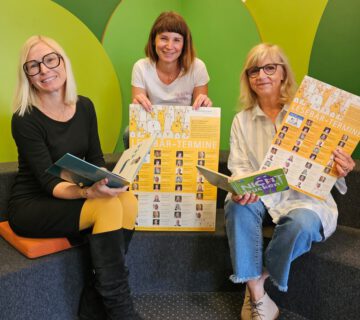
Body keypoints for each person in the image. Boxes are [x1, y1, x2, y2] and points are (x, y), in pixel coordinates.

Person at [8, 35, 142, 320]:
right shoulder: (24, 118)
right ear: (28, 77)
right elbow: (48, 182)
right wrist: (88, 193)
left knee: (127, 200)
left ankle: (95, 302)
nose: (44, 70)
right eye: (33, 66)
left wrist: (108, 181)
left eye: (50, 60)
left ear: (63, 62)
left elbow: (94, 159)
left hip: (76, 195)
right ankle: (121, 312)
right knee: (106, 206)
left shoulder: (84, 106)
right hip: (34, 204)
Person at [225, 43, 355, 320]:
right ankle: (258, 295)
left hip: (303, 198)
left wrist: (340, 168)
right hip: (262, 196)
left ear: (283, 73)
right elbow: (238, 167)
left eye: (270, 67)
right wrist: (241, 187)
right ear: (248, 79)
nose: (262, 75)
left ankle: (256, 282)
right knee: (235, 207)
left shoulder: (310, 113)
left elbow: (328, 169)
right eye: (254, 70)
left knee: (302, 224)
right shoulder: (241, 120)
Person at [124, 11, 212, 147]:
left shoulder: (198, 67)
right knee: (128, 132)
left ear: (184, 44)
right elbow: (139, 117)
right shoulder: (141, 67)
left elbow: (199, 116)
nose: (169, 46)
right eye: (164, 38)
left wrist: (205, 106)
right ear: (154, 40)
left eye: (176, 40)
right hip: (152, 128)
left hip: (185, 129)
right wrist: (138, 106)